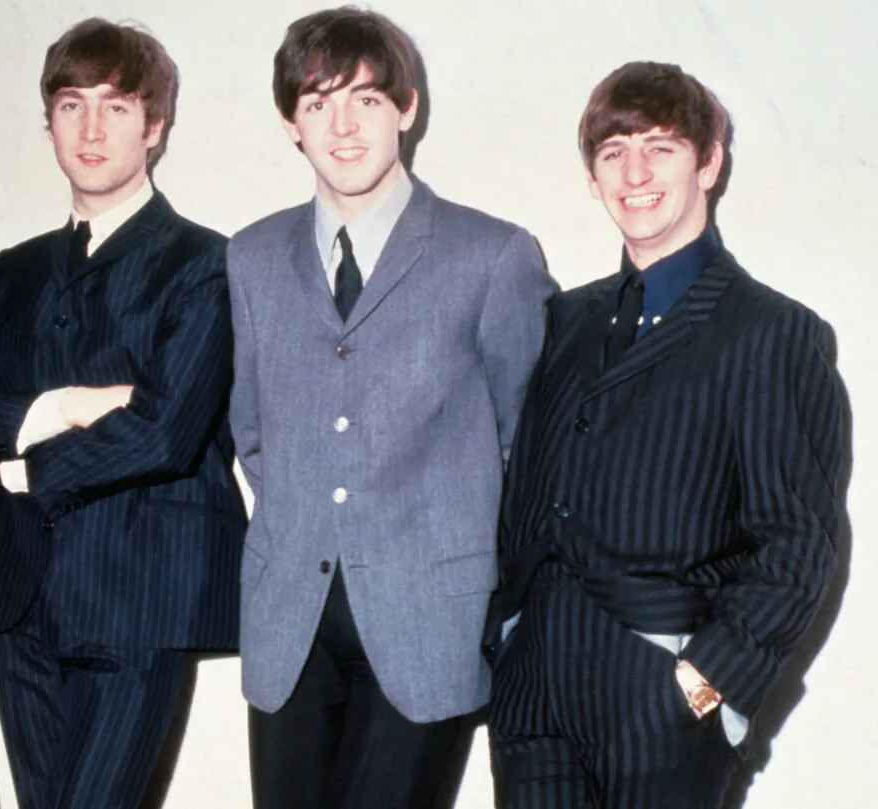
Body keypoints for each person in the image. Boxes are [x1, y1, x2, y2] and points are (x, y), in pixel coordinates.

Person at [485, 60, 845, 809]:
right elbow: (524, 490)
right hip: (532, 688)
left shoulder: (771, 332)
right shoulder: (565, 321)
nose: (635, 172)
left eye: (661, 146)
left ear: (709, 163)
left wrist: (712, 678)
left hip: (660, 691)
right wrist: (508, 633)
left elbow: (797, 542)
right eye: (613, 151)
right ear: (593, 177)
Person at [226, 7, 555, 808]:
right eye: (317, 103)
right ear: (290, 122)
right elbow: (254, 432)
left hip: (429, 621)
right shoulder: (251, 256)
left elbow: (531, 444)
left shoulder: (493, 255)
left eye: (366, 99)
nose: (342, 126)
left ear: (407, 107)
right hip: (287, 622)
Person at [0, 18, 245, 809]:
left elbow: (166, 432)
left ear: (155, 127)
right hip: (25, 594)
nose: (92, 129)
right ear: (49, 125)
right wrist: (57, 407)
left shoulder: (206, 262)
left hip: (141, 594)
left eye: (117, 107)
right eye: (72, 106)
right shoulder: (13, 270)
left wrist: (23, 468)